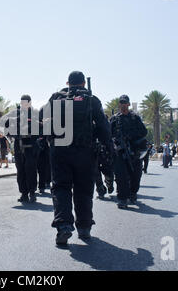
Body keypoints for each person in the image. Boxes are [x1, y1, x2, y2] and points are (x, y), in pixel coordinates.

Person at [44, 71, 113, 245]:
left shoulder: (56, 97)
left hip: (59, 151)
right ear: (83, 83)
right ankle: (84, 227)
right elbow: (104, 127)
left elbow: (44, 121)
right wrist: (109, 148)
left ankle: (64, 226)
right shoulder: (92, 100)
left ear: (68, 83)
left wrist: (47, 142)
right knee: (83, 189)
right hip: (85, 152)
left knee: (61, 188)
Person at [110, 95, 148, 209]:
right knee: (120, 176)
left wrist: (131, 137)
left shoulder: (135, 118)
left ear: (129, 104)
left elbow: (143, 132)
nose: (123, 105)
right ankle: (122, 198)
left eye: (125, 102)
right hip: (120, 152)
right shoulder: (114, 119)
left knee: (136, 175)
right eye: (121, 102)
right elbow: (108, 133)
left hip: (134, 150)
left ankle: (133, 193)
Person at [3, 95, 40, 203]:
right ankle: (24, 193)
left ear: (29, 102)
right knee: (21, 171)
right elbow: (4, 124)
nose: (23, 104)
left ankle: (32, 192)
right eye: (22, 102)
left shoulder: (35, 113)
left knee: (31, 170)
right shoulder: (15, 113)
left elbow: (42, 127)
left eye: (25, 102)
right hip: (19, 145)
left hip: (31, 145)